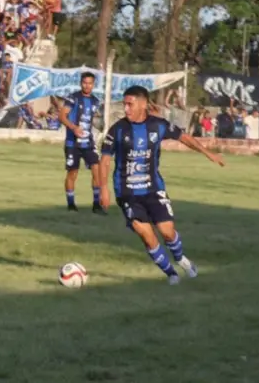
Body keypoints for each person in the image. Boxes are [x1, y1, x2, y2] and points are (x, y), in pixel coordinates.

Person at [96, 85, 225, 285]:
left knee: (167, 232)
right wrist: (103, 189)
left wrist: (208, 153)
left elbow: (185, 138)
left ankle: (181, 259)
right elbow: (104, 160)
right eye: (124, 104)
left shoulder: (158, 125)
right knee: (146, 234)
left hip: (153, 188)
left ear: (143, 104)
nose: (126, 109)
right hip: (127, 192)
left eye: (130, 104)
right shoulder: (117, 129)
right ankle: (171, 274)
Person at [56, 72, 102, 213]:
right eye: (84, 83)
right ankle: (71, 204)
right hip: (73, 143)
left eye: (90, 83)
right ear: (81, 83)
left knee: (97, 170)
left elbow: (94, 120)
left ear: (93, 84)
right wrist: (74, 127)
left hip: (88, 143)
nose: (87, 86)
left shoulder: (95, 101)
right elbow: (62, 116)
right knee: (72, 173)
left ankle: (96, 205)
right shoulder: (73, 98)